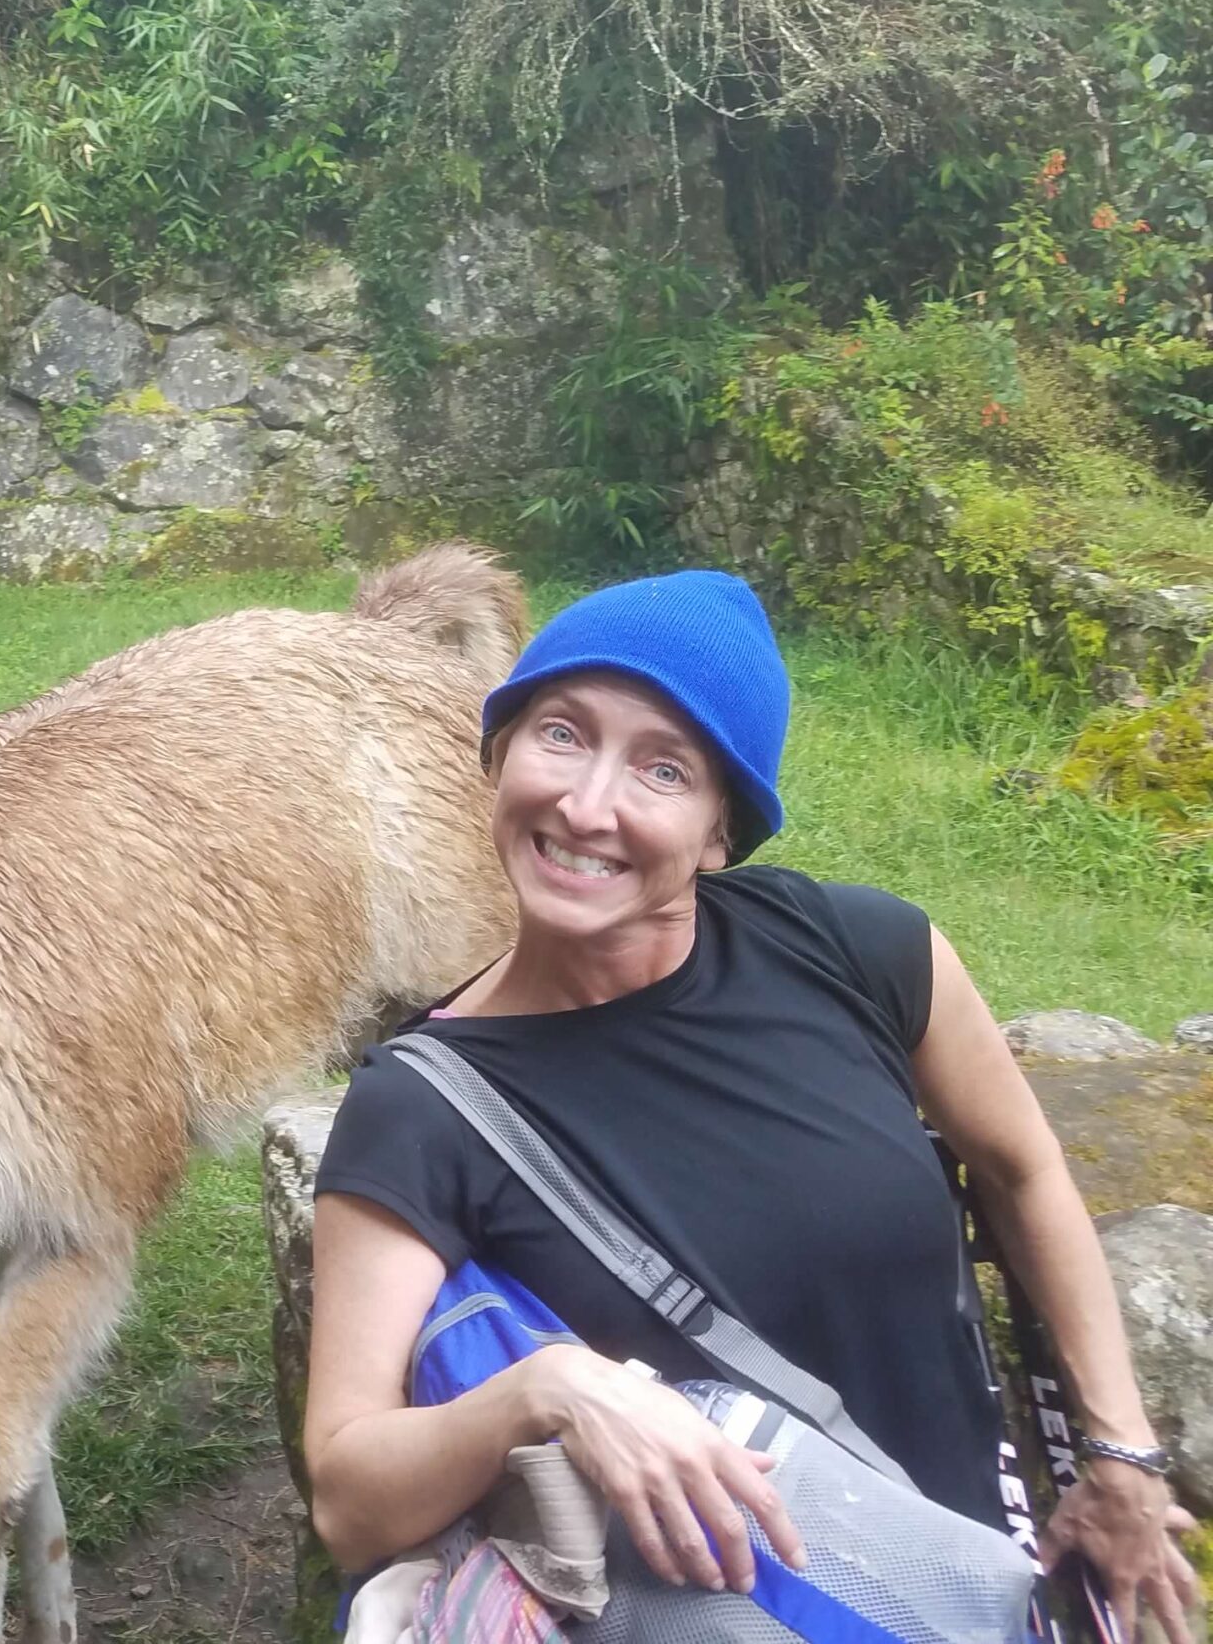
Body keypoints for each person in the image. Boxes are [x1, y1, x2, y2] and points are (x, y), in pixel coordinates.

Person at [303, 571, 1200, 1639]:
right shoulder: (421, 1109)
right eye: (558, 733)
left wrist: (1119, 1453)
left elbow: (1022, 1170)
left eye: (662, 768)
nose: (587, 804)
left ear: (722, 828)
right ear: (496, 755)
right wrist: (545, 1392)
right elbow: (349, 1500)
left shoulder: (857, 953)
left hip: (959, 1590)